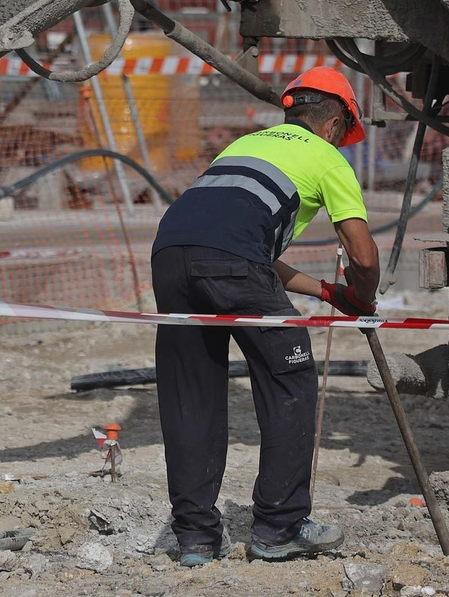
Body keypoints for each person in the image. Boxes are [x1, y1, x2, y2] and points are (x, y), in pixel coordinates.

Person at [149, 66, 380, 566]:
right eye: (345, 134)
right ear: (337, 121)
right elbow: (362, 257)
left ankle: (195, 538)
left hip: (170, 255)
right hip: (231, 262)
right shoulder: (325, 157)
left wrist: (324, 291)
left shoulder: (244, 146)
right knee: (290, 379)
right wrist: (362, 298)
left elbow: (230, 245)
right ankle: (280, 526)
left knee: (191, 394)